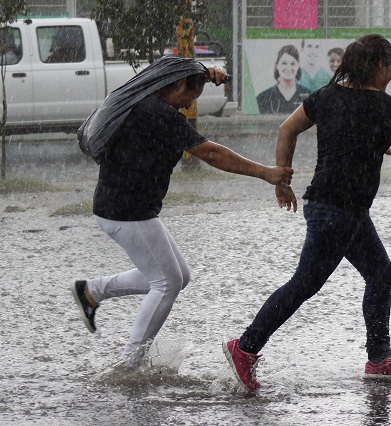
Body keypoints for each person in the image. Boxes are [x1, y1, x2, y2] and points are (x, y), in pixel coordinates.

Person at [224, 34, 391, 391]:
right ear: (378, 66)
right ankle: (245, 347)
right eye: (389, 65)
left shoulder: (325, 97)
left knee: (380, 272)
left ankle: (379, 358)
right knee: (305, 283)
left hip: (334, 207)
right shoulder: (383, 106)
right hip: (339, 210)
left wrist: (281, 179)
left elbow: (287, 129)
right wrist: (384, 147)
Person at [71, 56, 293, 369]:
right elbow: (212, 154)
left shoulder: (147, 102)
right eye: (190, 95)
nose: (189, 105)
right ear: (176, 84)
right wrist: (266, 173)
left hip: (127, 208)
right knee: (167, 283)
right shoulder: (158, 115)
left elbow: (172, 66)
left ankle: (91, 291)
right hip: (126, 212)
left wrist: (203, 72)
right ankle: (129, 364)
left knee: (178, 276)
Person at [256, 45, 312, 114]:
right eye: (284, 63)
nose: (288, 68)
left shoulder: (309, 96)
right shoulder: (263, 98)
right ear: (277, 66)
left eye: (293, 64)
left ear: (298, 66)